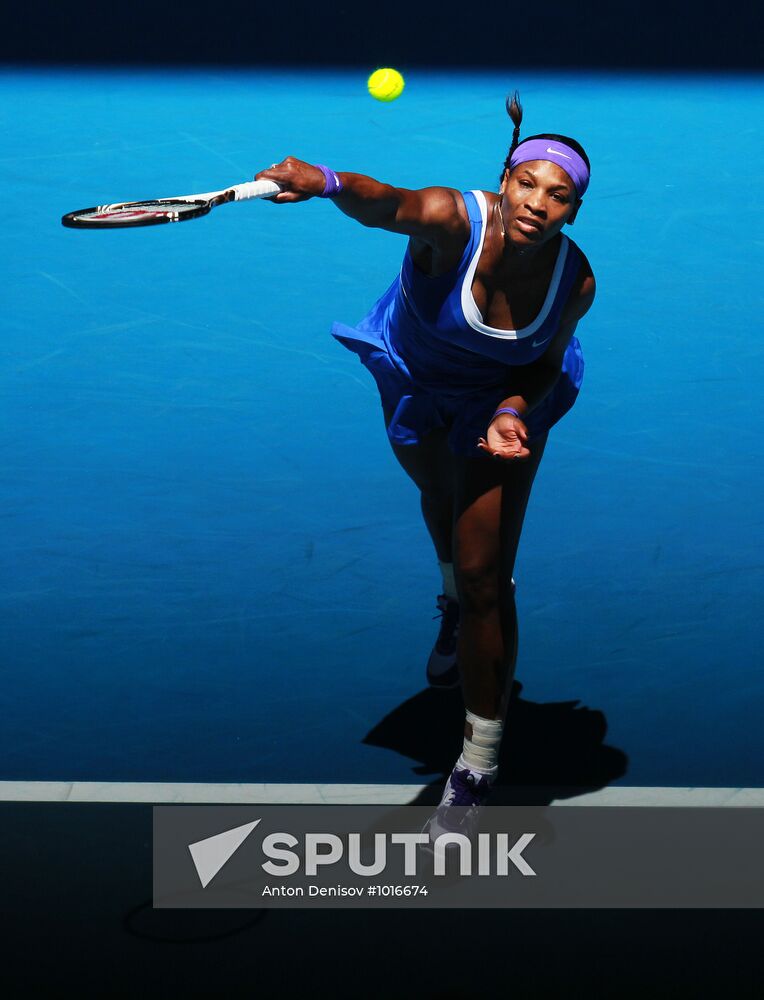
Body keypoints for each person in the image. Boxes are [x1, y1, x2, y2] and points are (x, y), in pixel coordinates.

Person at [255, 91, 595, 832]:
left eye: (559, 195)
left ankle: (477, 763)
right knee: (436, 497)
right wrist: (328, 181)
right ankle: (449, 603)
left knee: (485, 574)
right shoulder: (452, 219)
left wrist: (511, 412)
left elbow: (542, 365)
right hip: (413, 376)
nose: (538, 203)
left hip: (497, 408)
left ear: (573, 210)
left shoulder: (576, 281)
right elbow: (392, 205)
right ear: (504, 179)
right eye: (527, 182)